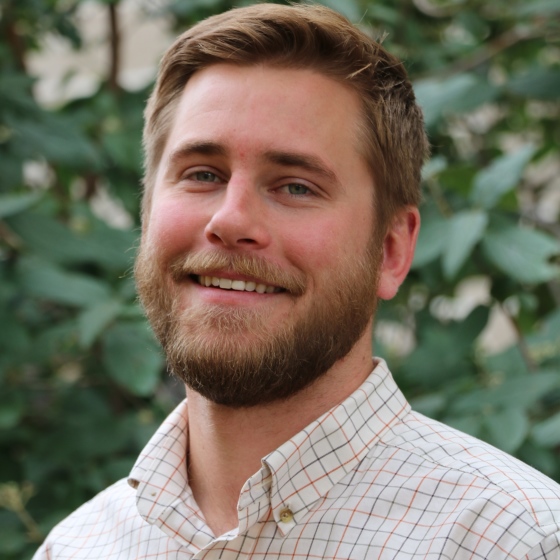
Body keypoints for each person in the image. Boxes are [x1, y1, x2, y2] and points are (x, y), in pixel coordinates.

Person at [34, 3, 560, 559]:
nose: (230, 220)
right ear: (145, 219)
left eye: (295, 186)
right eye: (202, 175)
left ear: (391, 250)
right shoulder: (78, 547)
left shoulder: (517, 541)